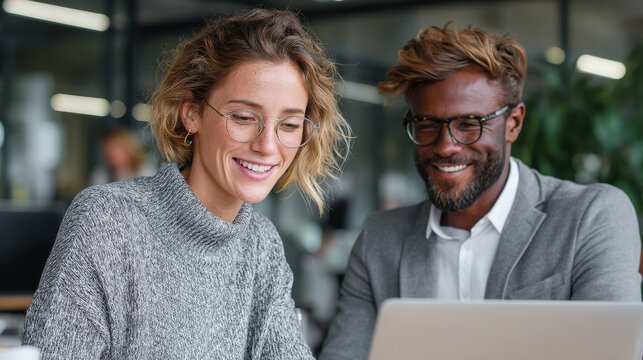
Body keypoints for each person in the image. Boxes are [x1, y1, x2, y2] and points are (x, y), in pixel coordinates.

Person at [22, 8, 351, 359]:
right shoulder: (108, 221)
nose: (267, 146)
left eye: (288, 125)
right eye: (243, 117)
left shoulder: (261, 244)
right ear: (191, 112)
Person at [319, 23, 641, 360]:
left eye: (469, 124)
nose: (445, 146)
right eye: (427, 125)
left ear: (513, 123)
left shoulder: (592, 216)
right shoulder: (380, 240)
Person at [89, 127, 156, 185]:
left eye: (116, 149)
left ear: (129, 149)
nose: (110, 157)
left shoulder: (146, 172)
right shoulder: (100, 175)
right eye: (107, 154)